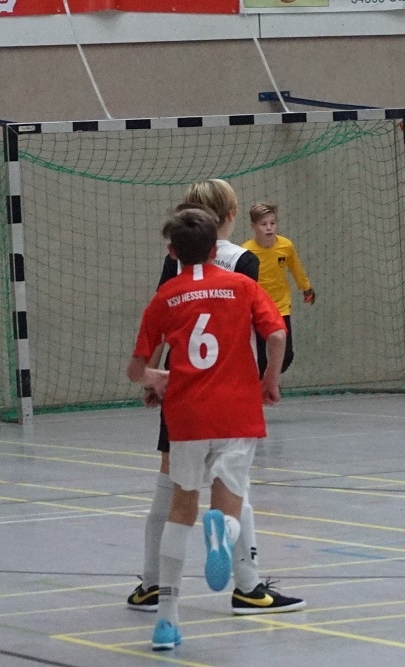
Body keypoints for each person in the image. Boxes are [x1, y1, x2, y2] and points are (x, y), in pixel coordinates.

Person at [127, 180, 304, 616]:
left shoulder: (175, 264)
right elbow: (262, 330)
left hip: (182, 388)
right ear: (228, 216)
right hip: (229, 391)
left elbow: (165, 328)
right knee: (233, 493)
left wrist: (153, 381)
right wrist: (269, 378)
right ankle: (247, 584)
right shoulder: (242, 263)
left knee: (171, 490)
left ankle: (153, 584)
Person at [241, 202, 316, 376]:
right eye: (263, 224)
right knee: (259, 357)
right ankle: (262, 384)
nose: (269, 228)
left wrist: (306, 288)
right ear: (253, 227)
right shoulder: (246, 251)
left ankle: (269, 379)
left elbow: (296, 269)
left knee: (287, 355)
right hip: (257, 308)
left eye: (272, 223)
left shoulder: (286, 246)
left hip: (281, 306)